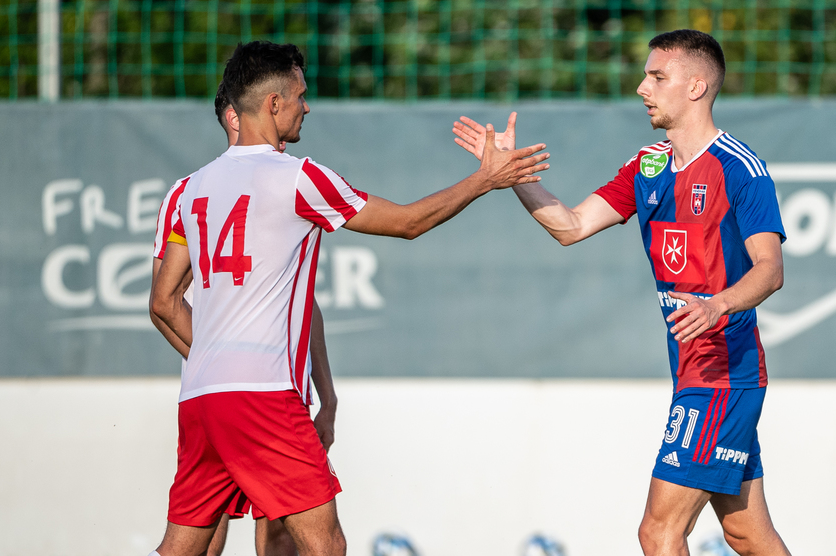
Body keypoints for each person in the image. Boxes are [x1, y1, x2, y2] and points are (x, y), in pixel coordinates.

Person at [149, 40, 549, 556]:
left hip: (201, 396)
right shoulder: (299, 178)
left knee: (184, 547)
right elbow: (407, 222)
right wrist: (485, 179)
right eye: (300, 95)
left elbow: (164, 300)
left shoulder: (190, 190)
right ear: (273, 103)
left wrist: (216, 359)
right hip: (264, 396)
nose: (307, 106)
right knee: (325, 545)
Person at [452, 29, 791, 556]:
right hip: (695, 372)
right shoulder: (648, 164)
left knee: (658, 531)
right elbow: (570, 226)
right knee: (747, 534)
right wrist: (512, 173)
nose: (642, 88)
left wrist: (717, 304)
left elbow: (770, 269)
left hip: (721, 375)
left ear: (696, 87)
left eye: (657, 77)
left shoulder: (739, 168)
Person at [149, 82, 299, 556]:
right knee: (241, 533)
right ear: (235, 116)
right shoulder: (194, 191)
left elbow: (303, 301)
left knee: (225, 533)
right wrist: (225, 359)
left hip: (242, 387)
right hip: (252, 388)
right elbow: (163, 301)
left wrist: (325, 394)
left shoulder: (204, 186)